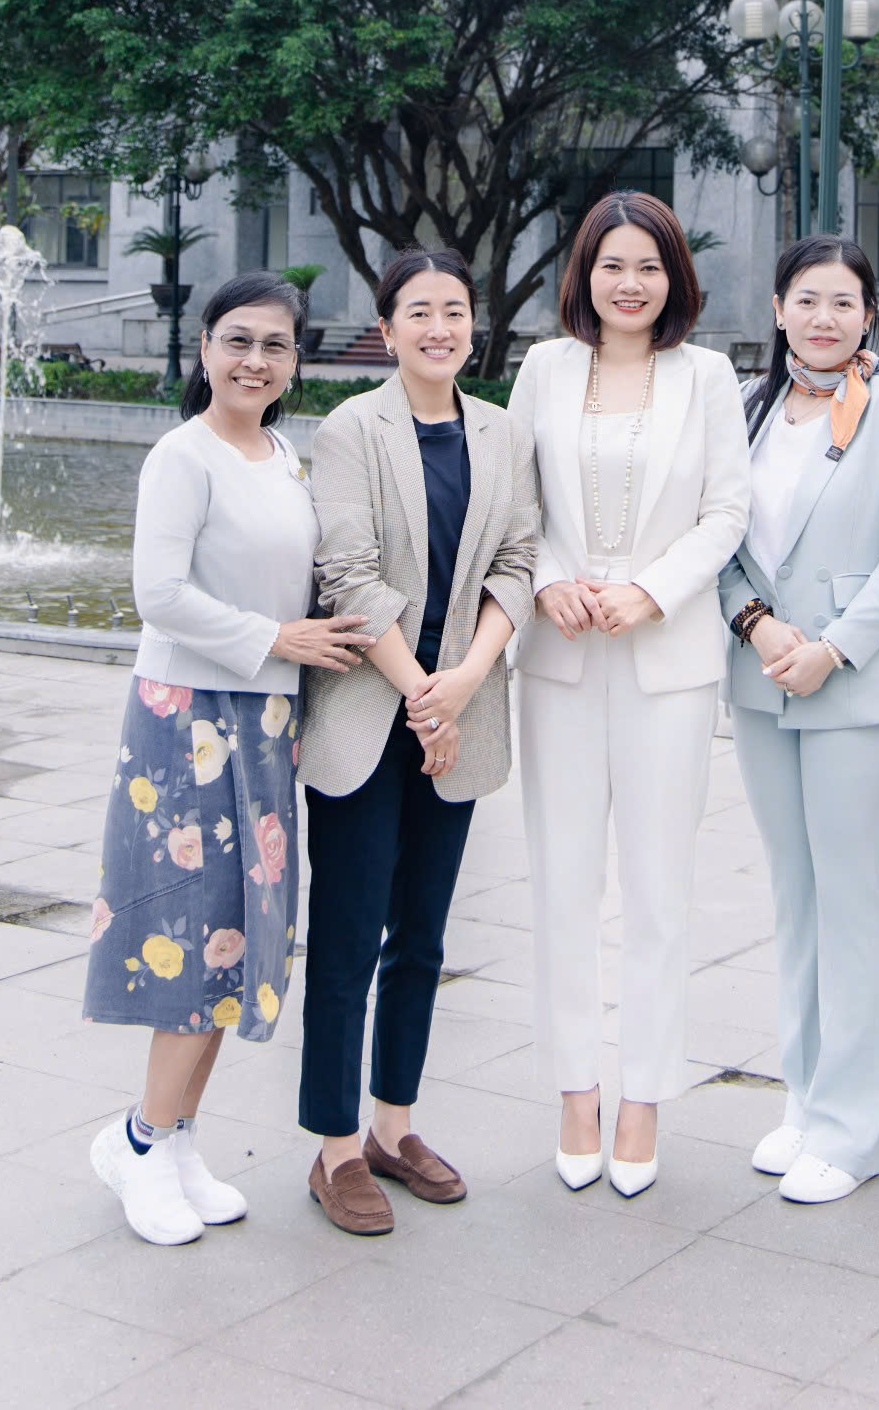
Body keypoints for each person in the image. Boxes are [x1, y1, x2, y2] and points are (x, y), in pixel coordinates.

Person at [85, 273, 373, 1246]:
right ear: (204, 348)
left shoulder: (285, 455)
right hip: (188, 724)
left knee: (236, 939)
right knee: (192, 931)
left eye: (275, 345)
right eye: (237, 340)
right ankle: (139, 1140)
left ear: (297, 360)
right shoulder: (183, 455)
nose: (255, 360)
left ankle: (171, 1139)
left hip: (264, 721)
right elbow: (157, 594)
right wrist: (277, 639)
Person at [510, 191, 750, 1196]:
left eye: (648, 265)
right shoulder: (543, 368)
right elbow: (515, 501)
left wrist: (651, 590)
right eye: (612, 264)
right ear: (584, 273)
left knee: (657, 889)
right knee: (563, 883)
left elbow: (727, 510)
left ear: (673, 277)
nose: (630, 282)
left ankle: (643, 1096)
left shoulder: (708, 377)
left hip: (666, 660)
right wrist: (548, 580)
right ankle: (577, 1091)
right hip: (560, 655)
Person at [297, 248, 537, 1236]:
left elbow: (518, 559)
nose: (440, 328)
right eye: (420, 312)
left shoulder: (503, 432)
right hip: (369, 707)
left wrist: (465, 680)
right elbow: (348, 572)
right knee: (348, 934)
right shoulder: (351, 429)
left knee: (424, 937)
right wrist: (420, 695)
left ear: (474, 324)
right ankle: (335, 1146)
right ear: (387, 328)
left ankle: (394, 1125)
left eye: (455, 311)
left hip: (459, 707)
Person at [717, 235, 879, 1204]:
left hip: (852, 686)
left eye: (843, 301)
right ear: (777, 309)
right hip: (762, 676)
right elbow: (717, 540)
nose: (823, 317)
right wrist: (758, 626)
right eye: (806, 299)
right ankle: (805, 1100)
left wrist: (833, 648)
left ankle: (853, 1132)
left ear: (868, 315)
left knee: (848, 901)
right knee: (794, 896)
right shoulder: (747, 407)